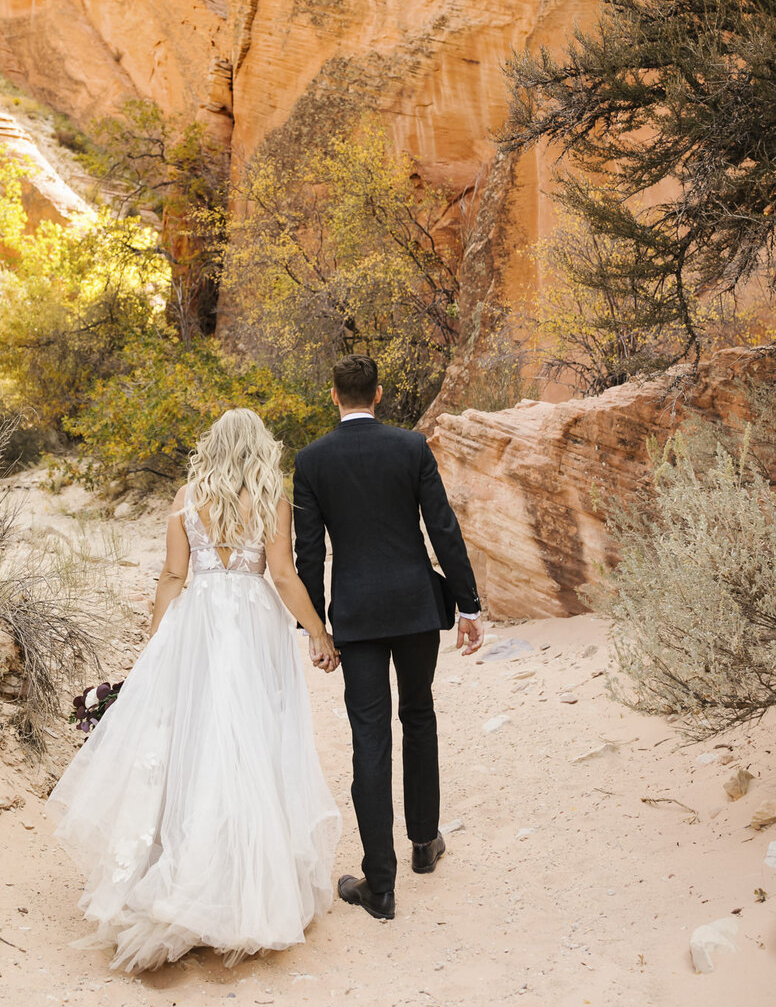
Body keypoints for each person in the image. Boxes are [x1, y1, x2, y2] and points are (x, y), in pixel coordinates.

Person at [48, 408, 342, 971]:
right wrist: (317, 632)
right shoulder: (271, 499)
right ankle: (242, 883)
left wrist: (157, 643)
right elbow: (282, 575)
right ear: (260, 447)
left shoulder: (188, 497)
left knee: (196, 741)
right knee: (251, 742)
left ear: (213, 444)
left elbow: (172, 576)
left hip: (199, 623)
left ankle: (188, 869)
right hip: (253, 622)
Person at [293, 354, 483, 921]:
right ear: (377, 395)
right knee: (419, 716)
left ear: (334, 396)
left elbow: (310, 553)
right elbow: (442, 526)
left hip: (356, 616)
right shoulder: (410, 447)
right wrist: (469, 605)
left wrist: (316, 628)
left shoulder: (311, 460)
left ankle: (380, 886)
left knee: (368, 738)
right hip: (414, 606)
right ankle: (424, 844)